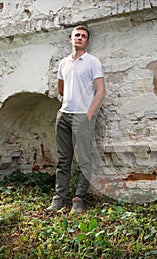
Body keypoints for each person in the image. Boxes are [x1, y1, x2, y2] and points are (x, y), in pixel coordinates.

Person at [47, 25, 105, 214]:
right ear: (70, 40)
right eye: (76, 35)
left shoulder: (92, 62)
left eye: (83, 36)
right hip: (64, 114)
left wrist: (89, 113)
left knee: (83, 160)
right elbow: (61, 89)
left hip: (83, 116)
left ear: (86, 41)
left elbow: (101, 91)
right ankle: (59, 198)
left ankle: (79, 199)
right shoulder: (64, 63)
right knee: (63, 159)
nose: (79, 38)